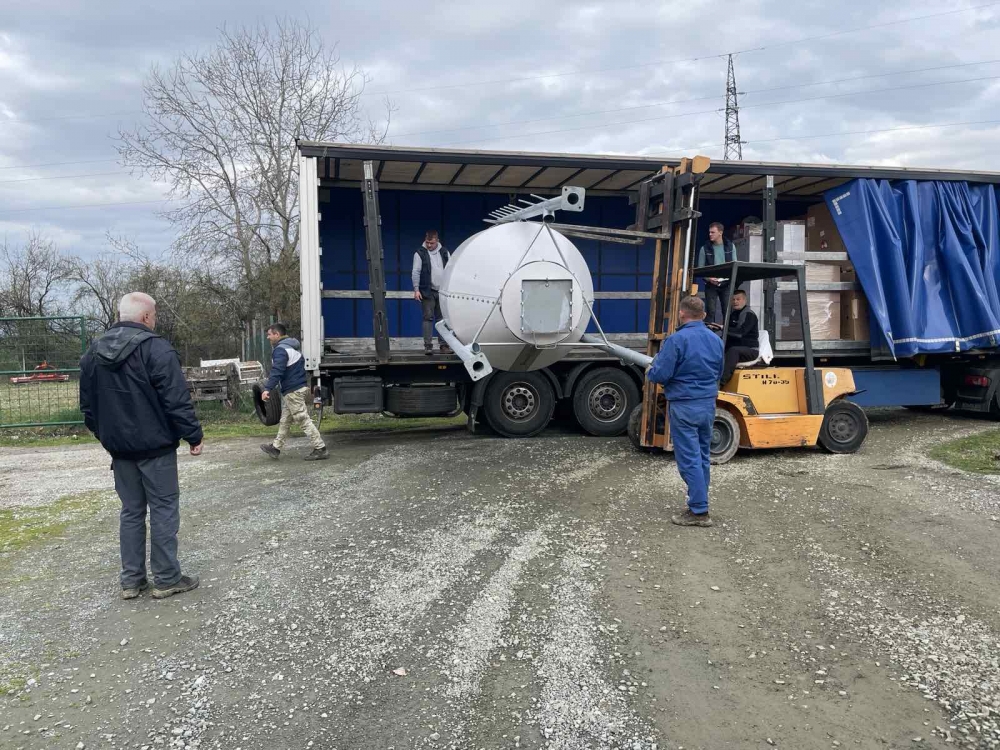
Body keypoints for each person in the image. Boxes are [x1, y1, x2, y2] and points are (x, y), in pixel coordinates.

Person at [79, 292, 203, 600]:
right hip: (156, 448)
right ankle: (166, 578)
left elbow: (88, 408)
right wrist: (193, 435)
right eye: (155, 315)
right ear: (146, 317)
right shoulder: (157, 349)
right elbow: (176, 400)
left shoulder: (92, 353)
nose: (155, 320)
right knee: (163, 510)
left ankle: (131, 581)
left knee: (131, 512)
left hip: (120, 451)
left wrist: (108, 438)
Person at [646, 295, 724, 527]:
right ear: (704, 315)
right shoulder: (716, 340)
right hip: (707, 404)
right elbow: (719, 371)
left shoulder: (676, 340)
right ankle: (699, 503)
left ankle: (699, 511)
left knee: (689, 458)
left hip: (684, 405)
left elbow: (661, 374)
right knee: (702, 456)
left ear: (682, 314)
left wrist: (652, 369)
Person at [259, 323, 328, 461]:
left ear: (277, 335)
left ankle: (320, 448)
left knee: (303, 419)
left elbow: (277, 371)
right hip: (296, 388)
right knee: (285, 420)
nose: (268, 337)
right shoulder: (293, 348)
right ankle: (276, 447)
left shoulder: (281, 350)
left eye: (269, 334)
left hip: (292, 391)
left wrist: (267, 389)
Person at [411, 230, 451, 355]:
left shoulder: (444, 252)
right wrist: (416, 290)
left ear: (437, 241)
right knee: (428, 318)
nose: (429, 245)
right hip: (427, 291)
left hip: (442, 291)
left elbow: (451, 270)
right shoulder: (420, 253)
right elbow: (415, 271)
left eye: (431, 243)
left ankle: (444, 345)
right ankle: (428, 346)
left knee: (442, 319)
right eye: (427, 242)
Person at [712, 289, 760, 385]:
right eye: (733, 300)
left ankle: (720, 384)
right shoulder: (733, 314)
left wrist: (723, 328)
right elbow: (728, 332)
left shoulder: (749, 314)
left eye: (738, 299)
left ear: (745, 300)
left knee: (733, 351)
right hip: (735, 348)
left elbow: (740, 333)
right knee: (713, 347)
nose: (735, 302)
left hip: (749, 350)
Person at [695, 222, 736, 325]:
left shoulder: (731, 247)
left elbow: (735, 265)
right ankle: (709, 337)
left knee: (727, 312)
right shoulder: (704, 248)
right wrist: (709, 279)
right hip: (710, 284)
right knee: (711, 311)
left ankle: (727, 338)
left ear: (720, 233)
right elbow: (701, 269)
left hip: (726, 283)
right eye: (709, 232)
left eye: (713, 232)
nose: (710, 234)